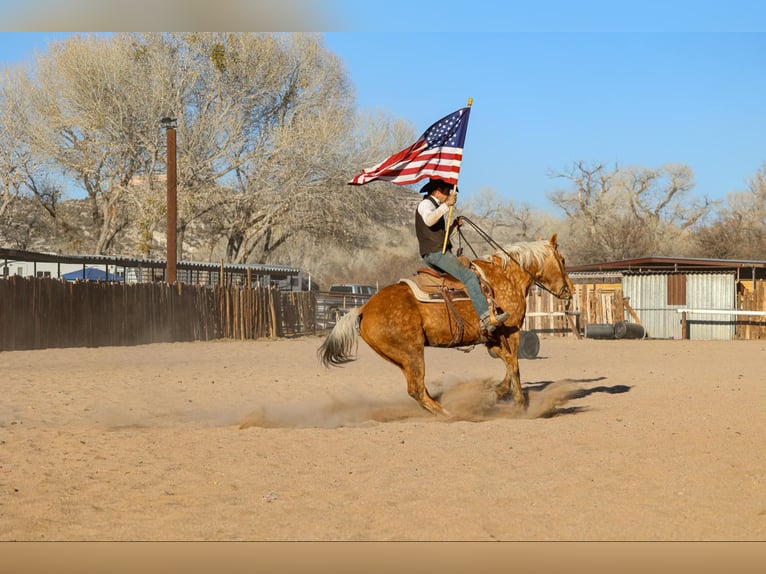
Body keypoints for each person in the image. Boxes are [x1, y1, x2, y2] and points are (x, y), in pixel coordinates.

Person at [416, 178, 510, 333]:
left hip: (435, 251)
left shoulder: (434, 206)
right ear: (438, 191)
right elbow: (429, 220)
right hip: (436, 253)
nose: (449, 195)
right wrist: (447, 205)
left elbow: (441, 237)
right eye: (447, 191)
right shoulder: (426, 204)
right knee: (469, 277)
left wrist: (453, 227)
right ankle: (485, 318)